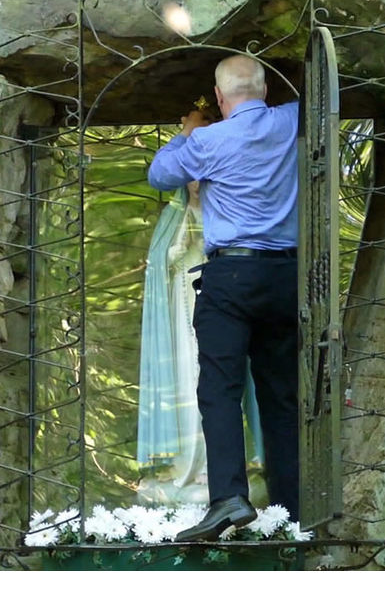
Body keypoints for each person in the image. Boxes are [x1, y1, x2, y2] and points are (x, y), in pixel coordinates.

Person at [148, 54, 299, 541]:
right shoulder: (291, 120)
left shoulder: (208, 141)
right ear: (264, 90)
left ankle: (230, 497)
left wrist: (189, 132)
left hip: (230, 276)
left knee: (219, 388)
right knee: (281, 395)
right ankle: (290, 508)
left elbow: (160, 174)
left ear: (218, 98)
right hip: (286, 275)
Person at [136, 181, 266, 505]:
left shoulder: (226, 211)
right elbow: (161, 261)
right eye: (190, 177)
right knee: (185, 391)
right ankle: (185, 467)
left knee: (222, 387)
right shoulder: (173, 215)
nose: (196, 184)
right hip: (181, 322)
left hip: (222, 313)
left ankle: (220, 470)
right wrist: (183, 239)